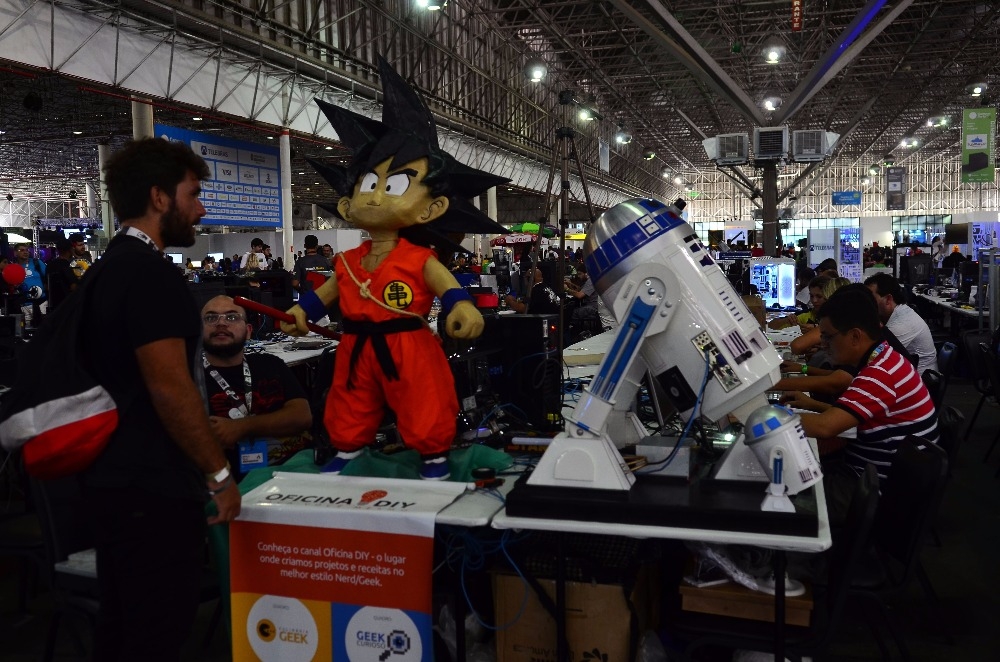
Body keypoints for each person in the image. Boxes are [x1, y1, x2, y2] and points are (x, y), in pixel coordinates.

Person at [281, 56, 508, 481]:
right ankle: (348, 448)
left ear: (434, 207)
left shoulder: (418, 259)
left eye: (396, 185)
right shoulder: (347, 261)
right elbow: (326, 293)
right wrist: (302, 312)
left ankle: (433, 453)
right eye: (369, 183)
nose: (374, 196)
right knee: (349, 397)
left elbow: (448, 289)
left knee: (423, 397)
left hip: (410, 345)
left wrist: (462, 306)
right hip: (355, 346)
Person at [82, 138, 240, 661]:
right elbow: (169, 386)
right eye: (193, 194)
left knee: (122, 629)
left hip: (111, 480)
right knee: (155, 633)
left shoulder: (106, 268)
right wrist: (217, 474)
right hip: (151, 489)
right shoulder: (149, 274)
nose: (201, 208)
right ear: (159, 197)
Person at [781, 285, 938, 524]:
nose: (823, 343)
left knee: (775, 497)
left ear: (855, 336)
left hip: (872, 493)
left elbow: (825, 427)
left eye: (827, 336)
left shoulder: (880, 374)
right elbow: (859, 419)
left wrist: (761, 417)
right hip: (877, 481)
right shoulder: (884, 358)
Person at [201, 295, 313, 479]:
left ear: (248, 331)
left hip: (294, 471)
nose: (221, 324)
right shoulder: (189, 377)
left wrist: (240, 427)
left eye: (232, 317)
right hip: (230, 481)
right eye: (211, 318)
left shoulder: (271, 364)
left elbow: (301, 416)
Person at [865, 272, 938, 374]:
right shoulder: (897, 313)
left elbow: (874, 357)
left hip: (923, 381)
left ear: (888, 299)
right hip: (910, 374)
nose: (867, 303)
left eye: (871, 299)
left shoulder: (902, 324)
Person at [13, 242, 45, 323]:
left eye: (27, 250)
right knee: (26, 330)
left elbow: (48, 276)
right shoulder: (13, 267)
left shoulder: (36, 262)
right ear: (15, 253)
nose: (25, 252)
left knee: (44, 327)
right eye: (22, 250)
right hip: (25, 304)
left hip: (42, 303)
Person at [45, 237, 78, 312]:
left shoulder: (50, 265)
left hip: (53, 305)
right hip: (67, 306)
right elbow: (73, 286)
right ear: (70, 250)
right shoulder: (67, 266)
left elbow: (46, 286)